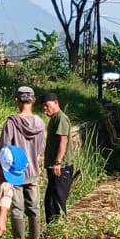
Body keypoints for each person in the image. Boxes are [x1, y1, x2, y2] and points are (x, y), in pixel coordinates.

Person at [0, 86, 45, 239]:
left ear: (17, 101)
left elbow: (4, 148)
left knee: (17, 208)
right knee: (34, 208)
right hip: (33, 171)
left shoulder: (12, 122)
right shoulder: (40, 123)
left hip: (15, 173)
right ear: (33, 101)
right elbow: (41, 149)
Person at [40, 92, 74, 223]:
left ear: (56, 103)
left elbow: (63, 141)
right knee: (50, 201)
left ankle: (60, 229)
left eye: (47, 105)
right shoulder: (54, 119)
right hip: (55, 167)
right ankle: (52, 229)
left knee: (57, 202)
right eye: (43, 106)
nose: (45, 109)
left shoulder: (61, 118)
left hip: (61, 167)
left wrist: (58, 162)